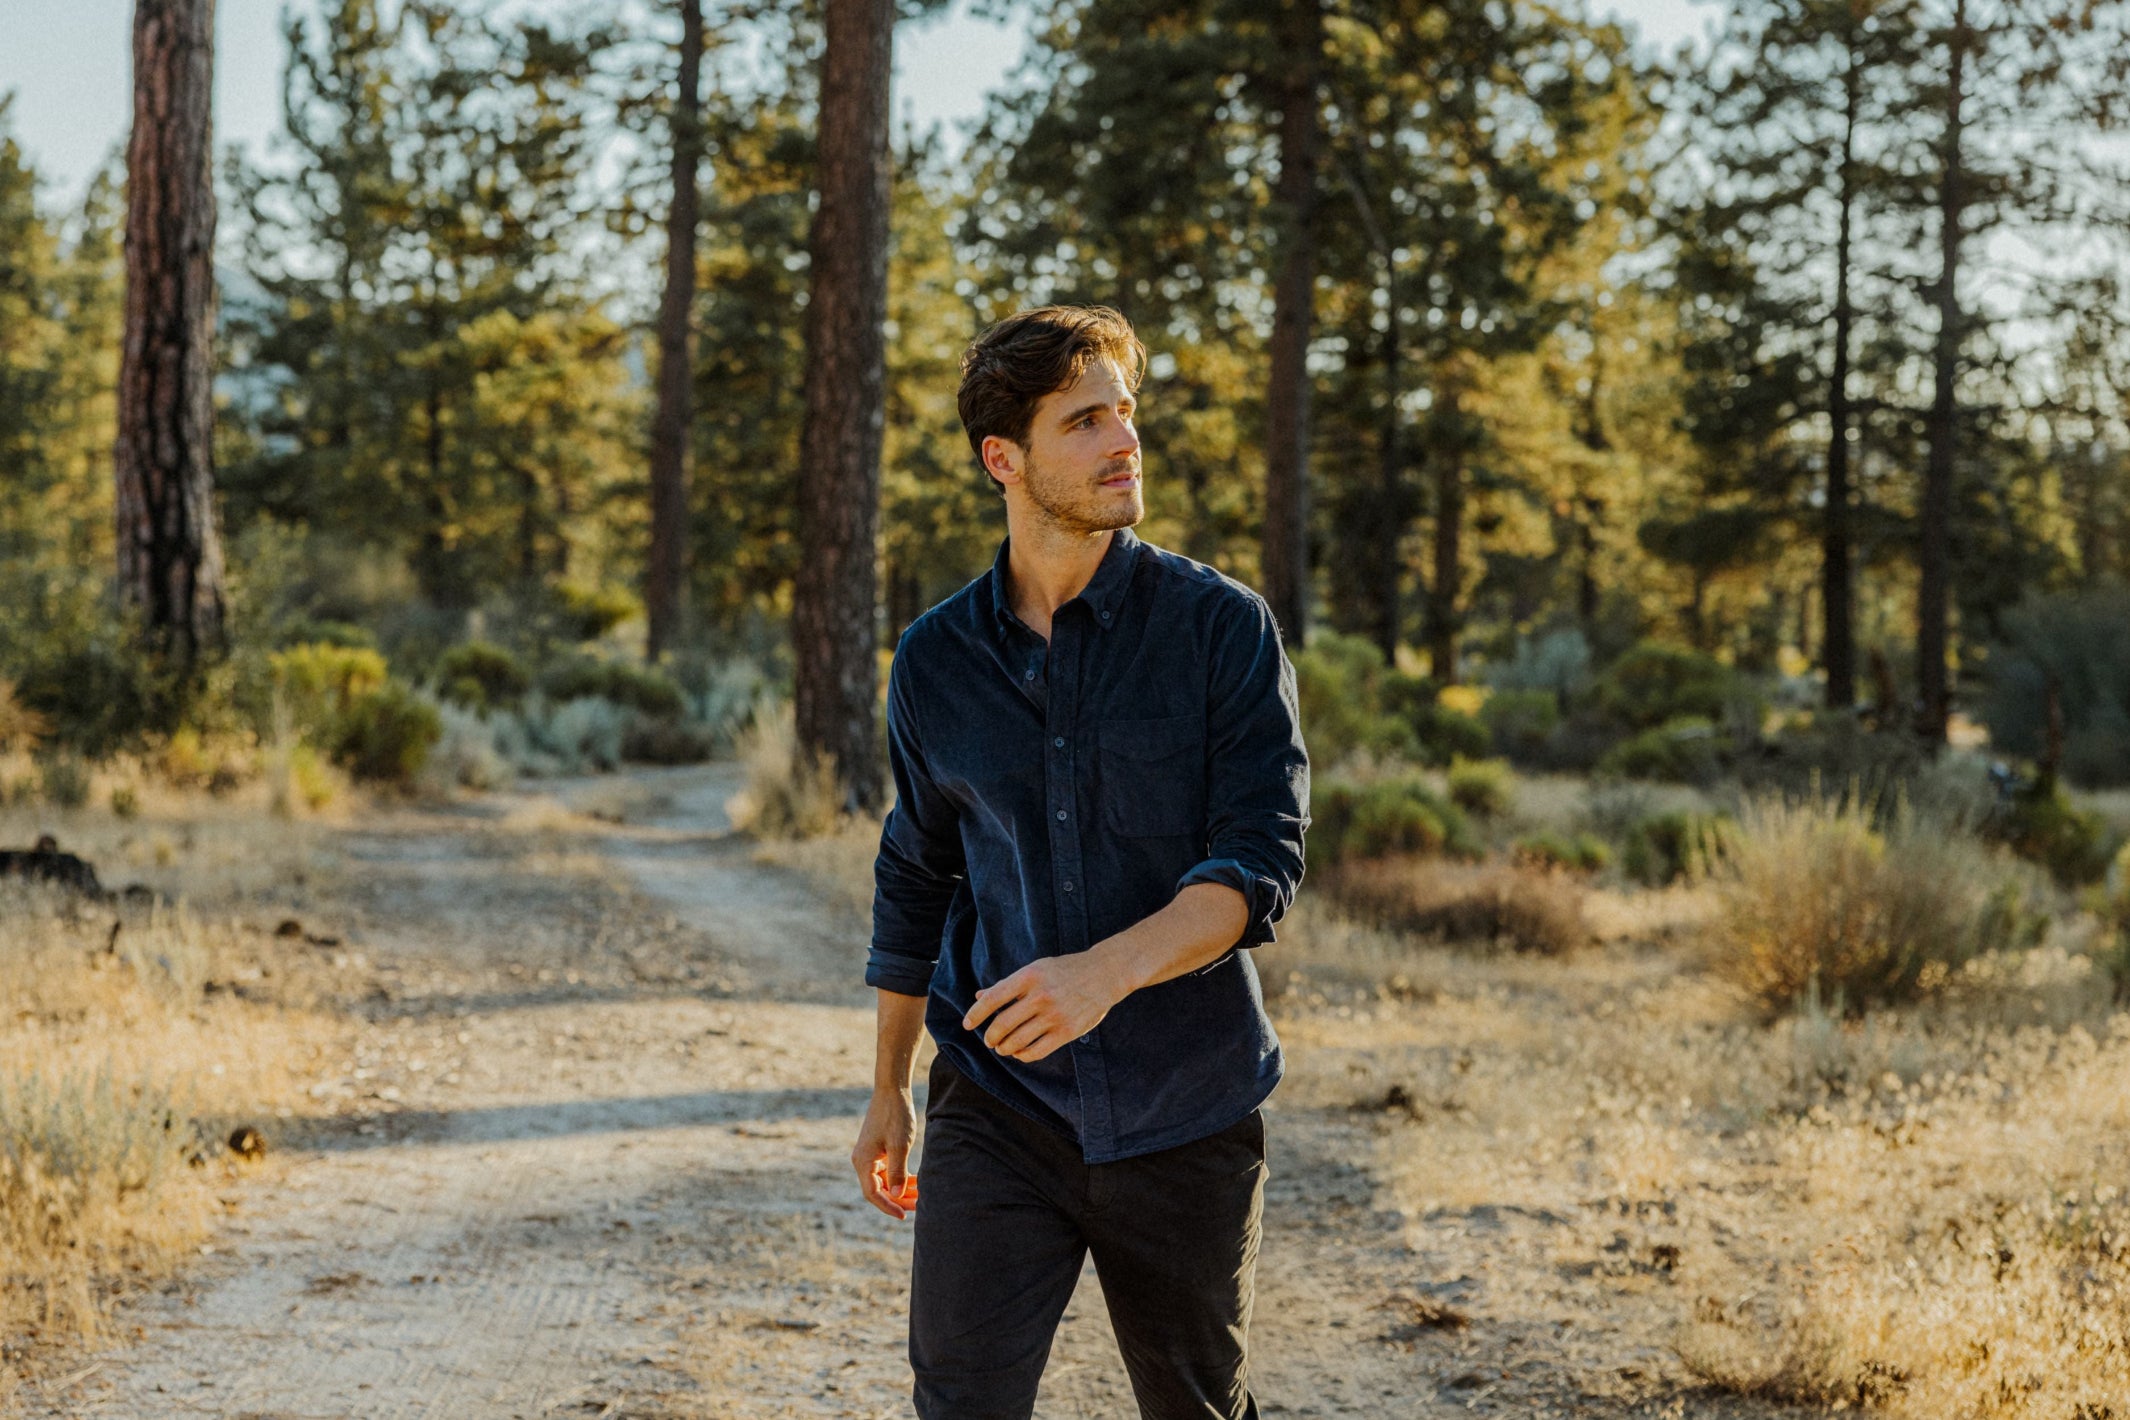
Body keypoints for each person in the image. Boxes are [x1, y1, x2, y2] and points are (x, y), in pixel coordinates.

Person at [851, 304, 1310, 1419]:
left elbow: (1260, 864)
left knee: (1195, 1405)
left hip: (1187, 1105)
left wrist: (1101, 974)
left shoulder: (1220, 629)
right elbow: (917, 869)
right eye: (1086, 419)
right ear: (1002, 458)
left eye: (1127, 413)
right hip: (997, 1106)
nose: (1124, 441)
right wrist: (887, 1089)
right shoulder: (934, 659)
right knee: (959, 1399)